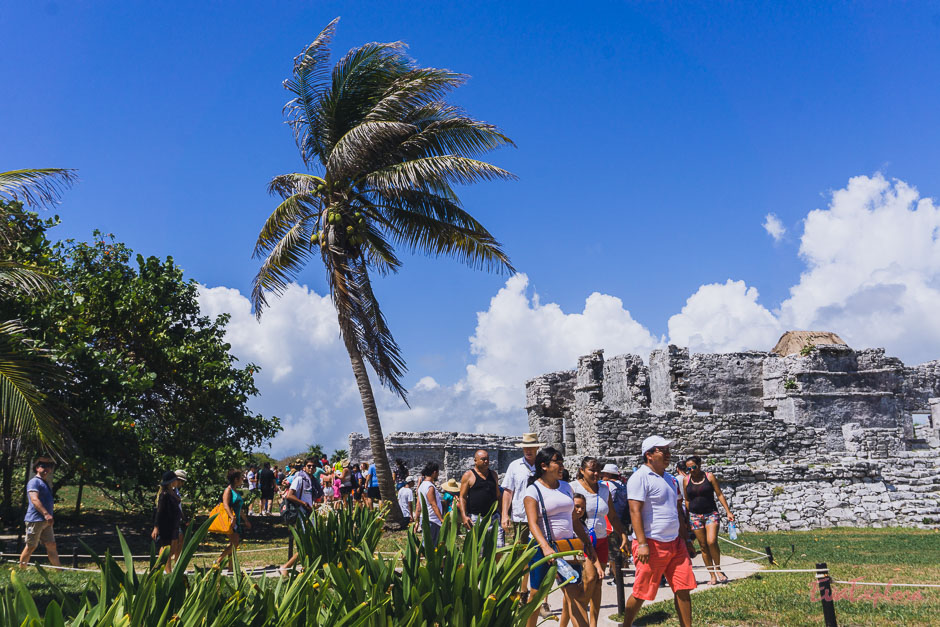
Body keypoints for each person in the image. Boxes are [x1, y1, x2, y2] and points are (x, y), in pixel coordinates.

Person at [622, 436, 696, 627]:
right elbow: (634, 511)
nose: (667, 454)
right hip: (651, 543)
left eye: (668, 450)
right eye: (662, 451)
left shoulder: (671, 479)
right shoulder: (639, 478)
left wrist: (686, 540)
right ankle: (627, 624)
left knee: (683, 588)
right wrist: (643, 544)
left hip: (675, 543)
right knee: (641, 593)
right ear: (648, 455)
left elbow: (677, 510)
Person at [523, 446, 598, 627]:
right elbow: (533, 523)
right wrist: (545, 548)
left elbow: (573, 519)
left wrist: (587, 542)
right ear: (544, 466)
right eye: (558, 462)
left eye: (562, 462)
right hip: (543, 549)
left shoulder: (566, 487)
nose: (562, 466)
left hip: (566, 547)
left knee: (574, 591)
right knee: (536, 594)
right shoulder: (533, 491)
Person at [571, 457, 630, 626]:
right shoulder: (572, 487)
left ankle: (593, 623)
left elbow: (611, 515)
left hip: (601, 539)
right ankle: (576, 610)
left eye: (598, 470)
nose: (596, 473)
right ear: (582, 470)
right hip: (581, 540)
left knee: (598, 582)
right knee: (589, 579)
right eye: (592, 470)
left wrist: (623, 534)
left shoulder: (604, 490)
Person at [501, 432, 544, 606]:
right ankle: (523, 591)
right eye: (525, 447)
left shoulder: (543, 465)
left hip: (540, 515)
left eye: (531, 447)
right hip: (520, 516)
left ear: (537, 448)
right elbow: (508, 491)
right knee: (522, 556)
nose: (528, 450)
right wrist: (505, 513)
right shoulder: (514, 466)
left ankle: (541, 596)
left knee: (542, 555)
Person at [683, 455, 735, 585]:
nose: (691, 470)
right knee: (703, 546)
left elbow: (719, 494)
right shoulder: (686, 479)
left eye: (693, 467)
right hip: (695, 516)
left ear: (700, 465)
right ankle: (711, 574)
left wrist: (728, 511)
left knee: (711, 541)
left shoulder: (709, 477)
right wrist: (686, 518)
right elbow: (687, 500)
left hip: (711, 513)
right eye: (688, 468)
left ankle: (718, 569)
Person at [19, 455, 60, 568]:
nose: (47, 468)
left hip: (46, 521)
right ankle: (20, 571)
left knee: (51, 545)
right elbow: (34, 499)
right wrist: (46, 514)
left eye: (49, 466)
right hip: (35, 519)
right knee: (31, 546)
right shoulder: (34, 482)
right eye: (43, 466)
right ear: (37, 468)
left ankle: (59, 570)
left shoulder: (45, 483)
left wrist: (48, 516)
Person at [279, 458, 316, 576]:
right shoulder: (299, 478)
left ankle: (305, 569)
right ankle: (286, 567)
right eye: (309, 466)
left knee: (308, 543)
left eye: (313, 466)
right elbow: (290, 495)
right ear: (304, 467)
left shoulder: (310, 480)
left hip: (307, 514)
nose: (311, 468)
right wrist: (304, 504)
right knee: (305, 544)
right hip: (301, 514)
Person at [459, 449, 501, 539]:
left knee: (498, 548)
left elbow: (498, 495)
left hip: (493, 517)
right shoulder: (468, 475)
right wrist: (464, 516)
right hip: (476, 518)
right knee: (478, 550)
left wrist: (503, 514)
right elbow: (462, 497)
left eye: (487, 459)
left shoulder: (493, 475)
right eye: (483, 459)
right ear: (475, 461)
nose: (486, 461)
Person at [215, 469, 251, 569]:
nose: (242, 479)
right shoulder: (228, 490)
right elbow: (225, 505)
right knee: (235, 543)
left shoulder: (236, 491)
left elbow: (240, 509)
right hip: (231, 520)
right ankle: (218, 561)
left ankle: (231, 568)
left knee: (233, 544)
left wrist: (245, 520)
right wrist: (232, 517)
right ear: (236, 479)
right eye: (241, 478)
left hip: (237, 520)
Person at [600, 463, 629, 576]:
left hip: (611, 522)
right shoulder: (622, 485)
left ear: (607, 474)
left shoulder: (606, 485)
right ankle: (622, 567)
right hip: (623, 520)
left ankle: (615, 574)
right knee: (621, 545)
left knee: (612, 550)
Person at [152, 470, 183, 572]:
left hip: (174, 524)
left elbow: (177, 508)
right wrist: (156, 527)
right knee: (167, 548)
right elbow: (159, 511)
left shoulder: (173, 492)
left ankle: (165, 567)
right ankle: (168, 571)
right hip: (166, 524)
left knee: (174, 548)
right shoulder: (164, 495)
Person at [414, 462, 444, 547]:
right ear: (434, 472)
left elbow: (418, 505)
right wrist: (441, 519)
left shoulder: (422, 486)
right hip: (433, 519)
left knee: (427, 542)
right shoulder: (430, 487)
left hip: (425, 518)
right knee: (431, 544)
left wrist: (416, 520)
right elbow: (433, 505)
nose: (438, 475)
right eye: (438, 472)